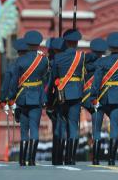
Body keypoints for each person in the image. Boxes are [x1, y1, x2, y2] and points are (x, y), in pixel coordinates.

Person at [91, 32, 118, 166]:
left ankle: (96, 159)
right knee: (114, 127)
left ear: (109, 46)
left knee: (97, 128)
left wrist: (94, 95)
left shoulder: (102, 61)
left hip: (103, 97)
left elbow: (97, 81)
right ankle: (111, 159)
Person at [8, 30, 49, 166]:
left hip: (22, 97)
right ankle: (32, 159)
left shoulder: (20, 60)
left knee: (24, 130)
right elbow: (45, 77)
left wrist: (11, 97)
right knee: (35, 128)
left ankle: (22, 158)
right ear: (38, 44)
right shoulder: (43, 60)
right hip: (36, 97)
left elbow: (14, 81)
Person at [48, 29, 85, 165]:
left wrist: (49, 99)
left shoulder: (58, 58)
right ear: (76, 42)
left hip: (61, 95)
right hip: (76, 94)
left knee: (61, 127)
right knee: (74, 127)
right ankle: (71, 158)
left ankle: (58, 157)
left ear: (65, 42)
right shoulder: (81, 56)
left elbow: (53, 79)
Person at [82, 38, 108, 165]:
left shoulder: (83, 62)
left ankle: (67, 156)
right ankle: (96, 157)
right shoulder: (105, 63)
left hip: (83, 98)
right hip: (98, 98)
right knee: (96, 129)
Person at [46, 37, 67, 165]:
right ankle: (64, 156)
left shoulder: (51, 62)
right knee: (64, 127)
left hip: (55, 98)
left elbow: (49, 84)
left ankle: (57, 156)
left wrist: (48, 101)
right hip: (66, 97)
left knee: (57, 128)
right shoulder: (68, 60)